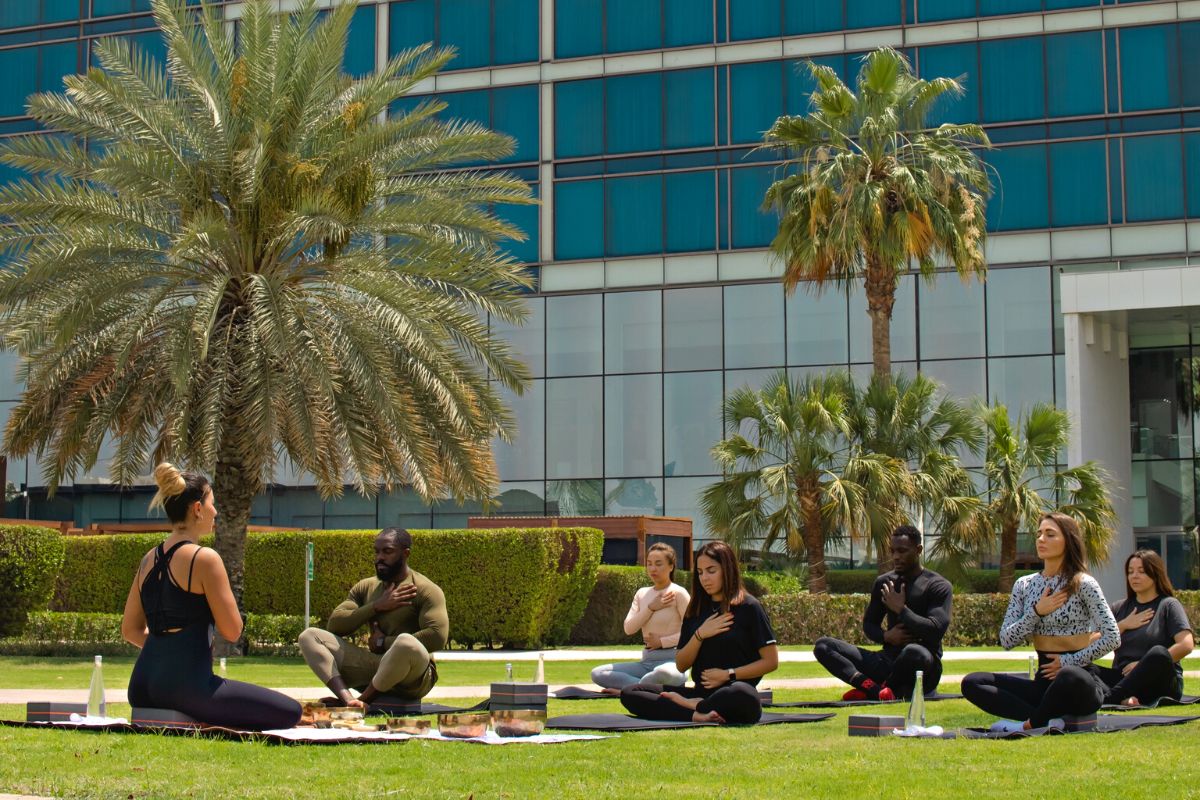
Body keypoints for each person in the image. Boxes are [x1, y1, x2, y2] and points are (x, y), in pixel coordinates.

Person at [121, 463, 301, 730]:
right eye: (211, 503)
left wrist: (169, 650)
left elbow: (130, 630)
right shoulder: (204, 559)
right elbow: (232, 631)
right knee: (292, 712)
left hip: (142, 687)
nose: (215, 511)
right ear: (197, 509)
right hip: (187, 689)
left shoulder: (149, 558)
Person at [962, 512, 1120, 732]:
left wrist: (1069, 661)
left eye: (1050, 534)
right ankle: (1045, 719)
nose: (1041, 539)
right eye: (1039, 534)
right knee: (972, 682)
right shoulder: (1024, 585)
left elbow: (1112, 636)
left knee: (1069, 674)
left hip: (1079, 681)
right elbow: (1007, 639)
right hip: (1044, 683)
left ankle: (1031, 724)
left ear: (1068, 540)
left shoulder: (1084, 583)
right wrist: (1036, 611)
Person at [619, 541, 778, 725]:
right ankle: (697, 714)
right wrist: (700, 634)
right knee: (631, 692)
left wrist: (728, 674)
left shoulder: (749, 607)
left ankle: (696, 706)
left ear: (727, 569)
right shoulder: (695, 610)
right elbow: (680, 665)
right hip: (700, 692)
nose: (705, 578)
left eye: (711, 571)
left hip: (734, 692)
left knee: (743, 694)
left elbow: (770, 661)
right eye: (700, 572)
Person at [298, 527, 448, 709]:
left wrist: (383, 643)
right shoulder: (366, 587)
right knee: (310, 636)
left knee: (405, 642)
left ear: (405, 553)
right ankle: (348, 701)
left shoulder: (425, 589)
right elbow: (335, 625)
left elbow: (437, 637)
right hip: (375, 667)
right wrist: (377, 606)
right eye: (376, 552)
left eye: (388, 551)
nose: (379, 558)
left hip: (413, 677)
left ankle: (362, 702)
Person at [813, 525, 952, 701]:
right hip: (887, 660)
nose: (896, 557)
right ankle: (874, 690)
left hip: (922, 666)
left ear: (918, 550)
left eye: (902, 551)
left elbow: (935, 629)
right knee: (823, 646)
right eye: (893, 551)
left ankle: (888, 688)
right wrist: (887, 636)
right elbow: (869, 624)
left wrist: (901, 610)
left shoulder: (937, 585)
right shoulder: (884, 582)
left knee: (914, 652)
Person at [1097, 549, 1194, 706]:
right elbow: (1091, 643)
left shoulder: (1168, 605)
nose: (1134, 576)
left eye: (1141, 571)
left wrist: (1142, 665)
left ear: (1155, 574)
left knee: (1159, 653)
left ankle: (1109, 698)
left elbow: (1187, 644)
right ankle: (1123, 697)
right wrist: (1122, 625)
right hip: (1123, 678)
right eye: (1130, 571)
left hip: (1159, 681)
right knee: (1082, 667)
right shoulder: (1119, 608)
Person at [591, 543, 690, 692]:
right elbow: (629, 628)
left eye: (658, 564)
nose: (652, 569)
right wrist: (651, 607)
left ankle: (632, 689)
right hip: (646, 662)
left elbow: (692, 632)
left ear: (671, 566)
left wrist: (662, 642)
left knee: (664, 673)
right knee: (598, 673)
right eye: (649, 564)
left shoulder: (679, 593)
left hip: (673, 661)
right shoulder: (642, 593)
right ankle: (646, 688)